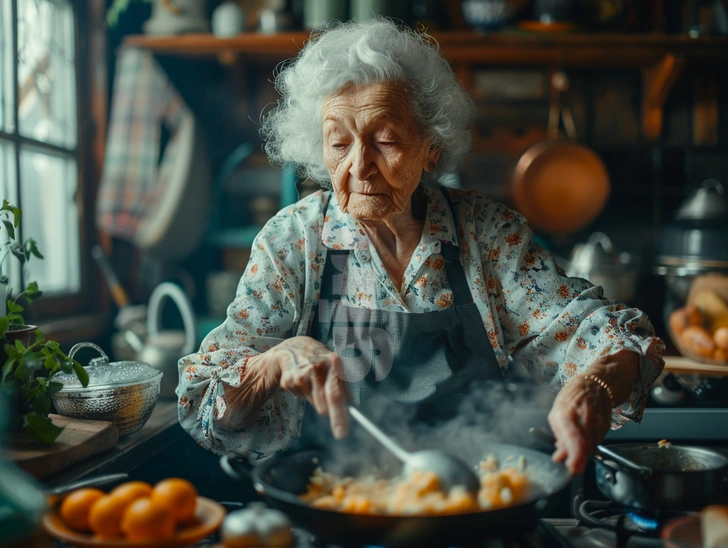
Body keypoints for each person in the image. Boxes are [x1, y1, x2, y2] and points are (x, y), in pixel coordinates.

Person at [177, 18, 665, 475]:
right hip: (334, 500)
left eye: (385, 140)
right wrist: (271, 363)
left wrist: (596, 386)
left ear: (431, 145)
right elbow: (204, 403)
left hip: (478, 497)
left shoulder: (486, 234)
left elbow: (606, 338)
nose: (360, 166)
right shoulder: (293, 242)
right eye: (339, 144)